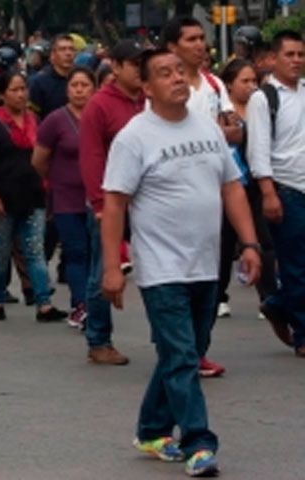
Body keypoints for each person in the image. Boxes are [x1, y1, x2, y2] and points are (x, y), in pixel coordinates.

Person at [101, 48, 261, 478]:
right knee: (182, 354)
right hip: (161, 269)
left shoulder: (208, 129)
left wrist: (249, 243)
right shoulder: (135, 137)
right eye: (165, 74)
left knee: (187, 352)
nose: (176, 79)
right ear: (146, 87)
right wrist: (112, 266)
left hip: (207, 264)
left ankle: (152, 428)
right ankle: (198, 443)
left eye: (179, 72)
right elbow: (114, 204)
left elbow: (232, 189)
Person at [162, 16, 242, 377]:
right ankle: (179, 348)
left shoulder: (213, 85)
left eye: (201, 38)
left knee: (215, 273)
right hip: (175, 195)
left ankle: (198, 347)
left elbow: (234, 130)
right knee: (178, 278)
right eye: (191, 39)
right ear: (172, 47)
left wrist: (223, 132)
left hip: (215, 189)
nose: (199, 45)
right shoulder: (165, 87)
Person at [0, 70, 69, 322]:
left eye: (23, 89)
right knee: (1, 252)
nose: (20, 94)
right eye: (14, 90)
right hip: (2, 199)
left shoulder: (35, 121)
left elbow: (45, 156)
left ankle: (43, 304)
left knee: (35, 251)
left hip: (33, 197)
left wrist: (48, 188)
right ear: (3, 94)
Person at [78, 40, 145, 366]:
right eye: (133, 63)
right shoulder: (100, 106)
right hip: (111, 202)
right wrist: (100, 203)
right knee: (102, 270)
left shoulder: (149, 100)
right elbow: (90, 157)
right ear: (115, 67)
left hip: (147, 201)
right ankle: (99, 339)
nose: (139, 69)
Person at [246, 30, 305, 358]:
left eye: (300, 54)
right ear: (274, 58)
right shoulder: (264, 97)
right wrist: (268, 193)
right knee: (296, 265)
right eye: (290, 54)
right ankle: (302, 334)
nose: (296, 60)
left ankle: (277, 303)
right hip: (286, 190)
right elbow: (258, 150)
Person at [214, 59, 278, 334]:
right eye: (245, 81)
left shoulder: (262, 108)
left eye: (254, 81)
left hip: (254, 184)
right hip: (226, 185)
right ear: (229, 84)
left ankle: (269, 299)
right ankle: (218, 297)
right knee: (225, 243)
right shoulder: (222, 110)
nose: (251, 87)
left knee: (262, 240)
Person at [32, 67, 95, 329]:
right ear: (67, 89)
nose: (79, 90)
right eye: (74, 85)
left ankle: (95, 304)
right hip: (66, 198)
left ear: (94, 88)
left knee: (95, 254)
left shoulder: (98, 117)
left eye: (85, 85)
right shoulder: (55, 120)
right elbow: (38, 160)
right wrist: (56, 178)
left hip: (96, 197)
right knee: (75, 252)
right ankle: (80, 306)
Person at [28, 34, 76, 120]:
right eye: (62, 49)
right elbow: (32, 117)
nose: (68, 53)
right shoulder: (39, 83)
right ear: (53, 55)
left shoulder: (80, 80)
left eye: (71, 49)